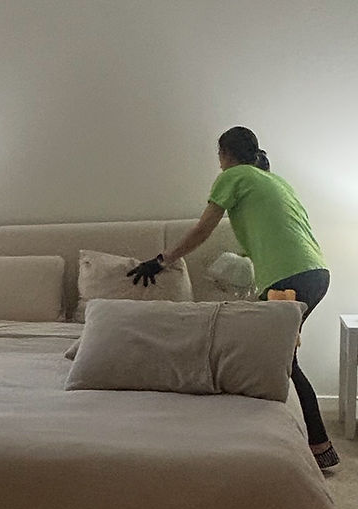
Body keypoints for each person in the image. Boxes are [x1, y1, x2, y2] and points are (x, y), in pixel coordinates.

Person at [127, 126, 338, 469]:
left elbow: (203, 229)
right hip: (316, 272)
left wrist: (163, 260)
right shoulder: (273, 180)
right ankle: (315, 445)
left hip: (288, 278)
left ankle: (306, 447)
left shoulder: (234, 176)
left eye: (219, 156)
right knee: (277, 358)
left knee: (278, 361)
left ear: (225, 155)